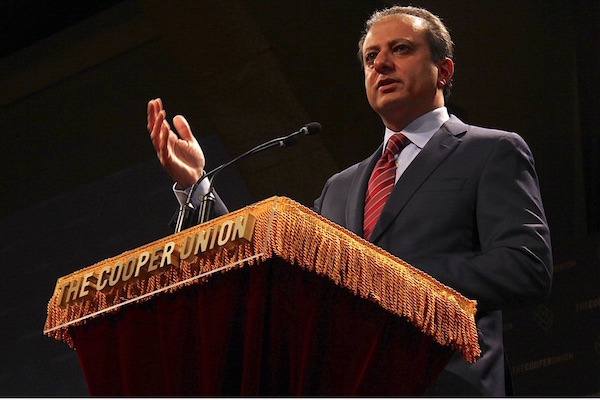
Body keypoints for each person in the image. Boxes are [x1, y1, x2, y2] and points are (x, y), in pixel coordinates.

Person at [146, 5, 553, 396]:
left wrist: (388, 279)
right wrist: (200, 185)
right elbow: (273, 271)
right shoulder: (340, 187)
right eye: (370, 57)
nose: (381, 64)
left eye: (401, 49)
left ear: (443, 71)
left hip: (445, 386)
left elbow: (526, 267)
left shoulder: (490, 151)